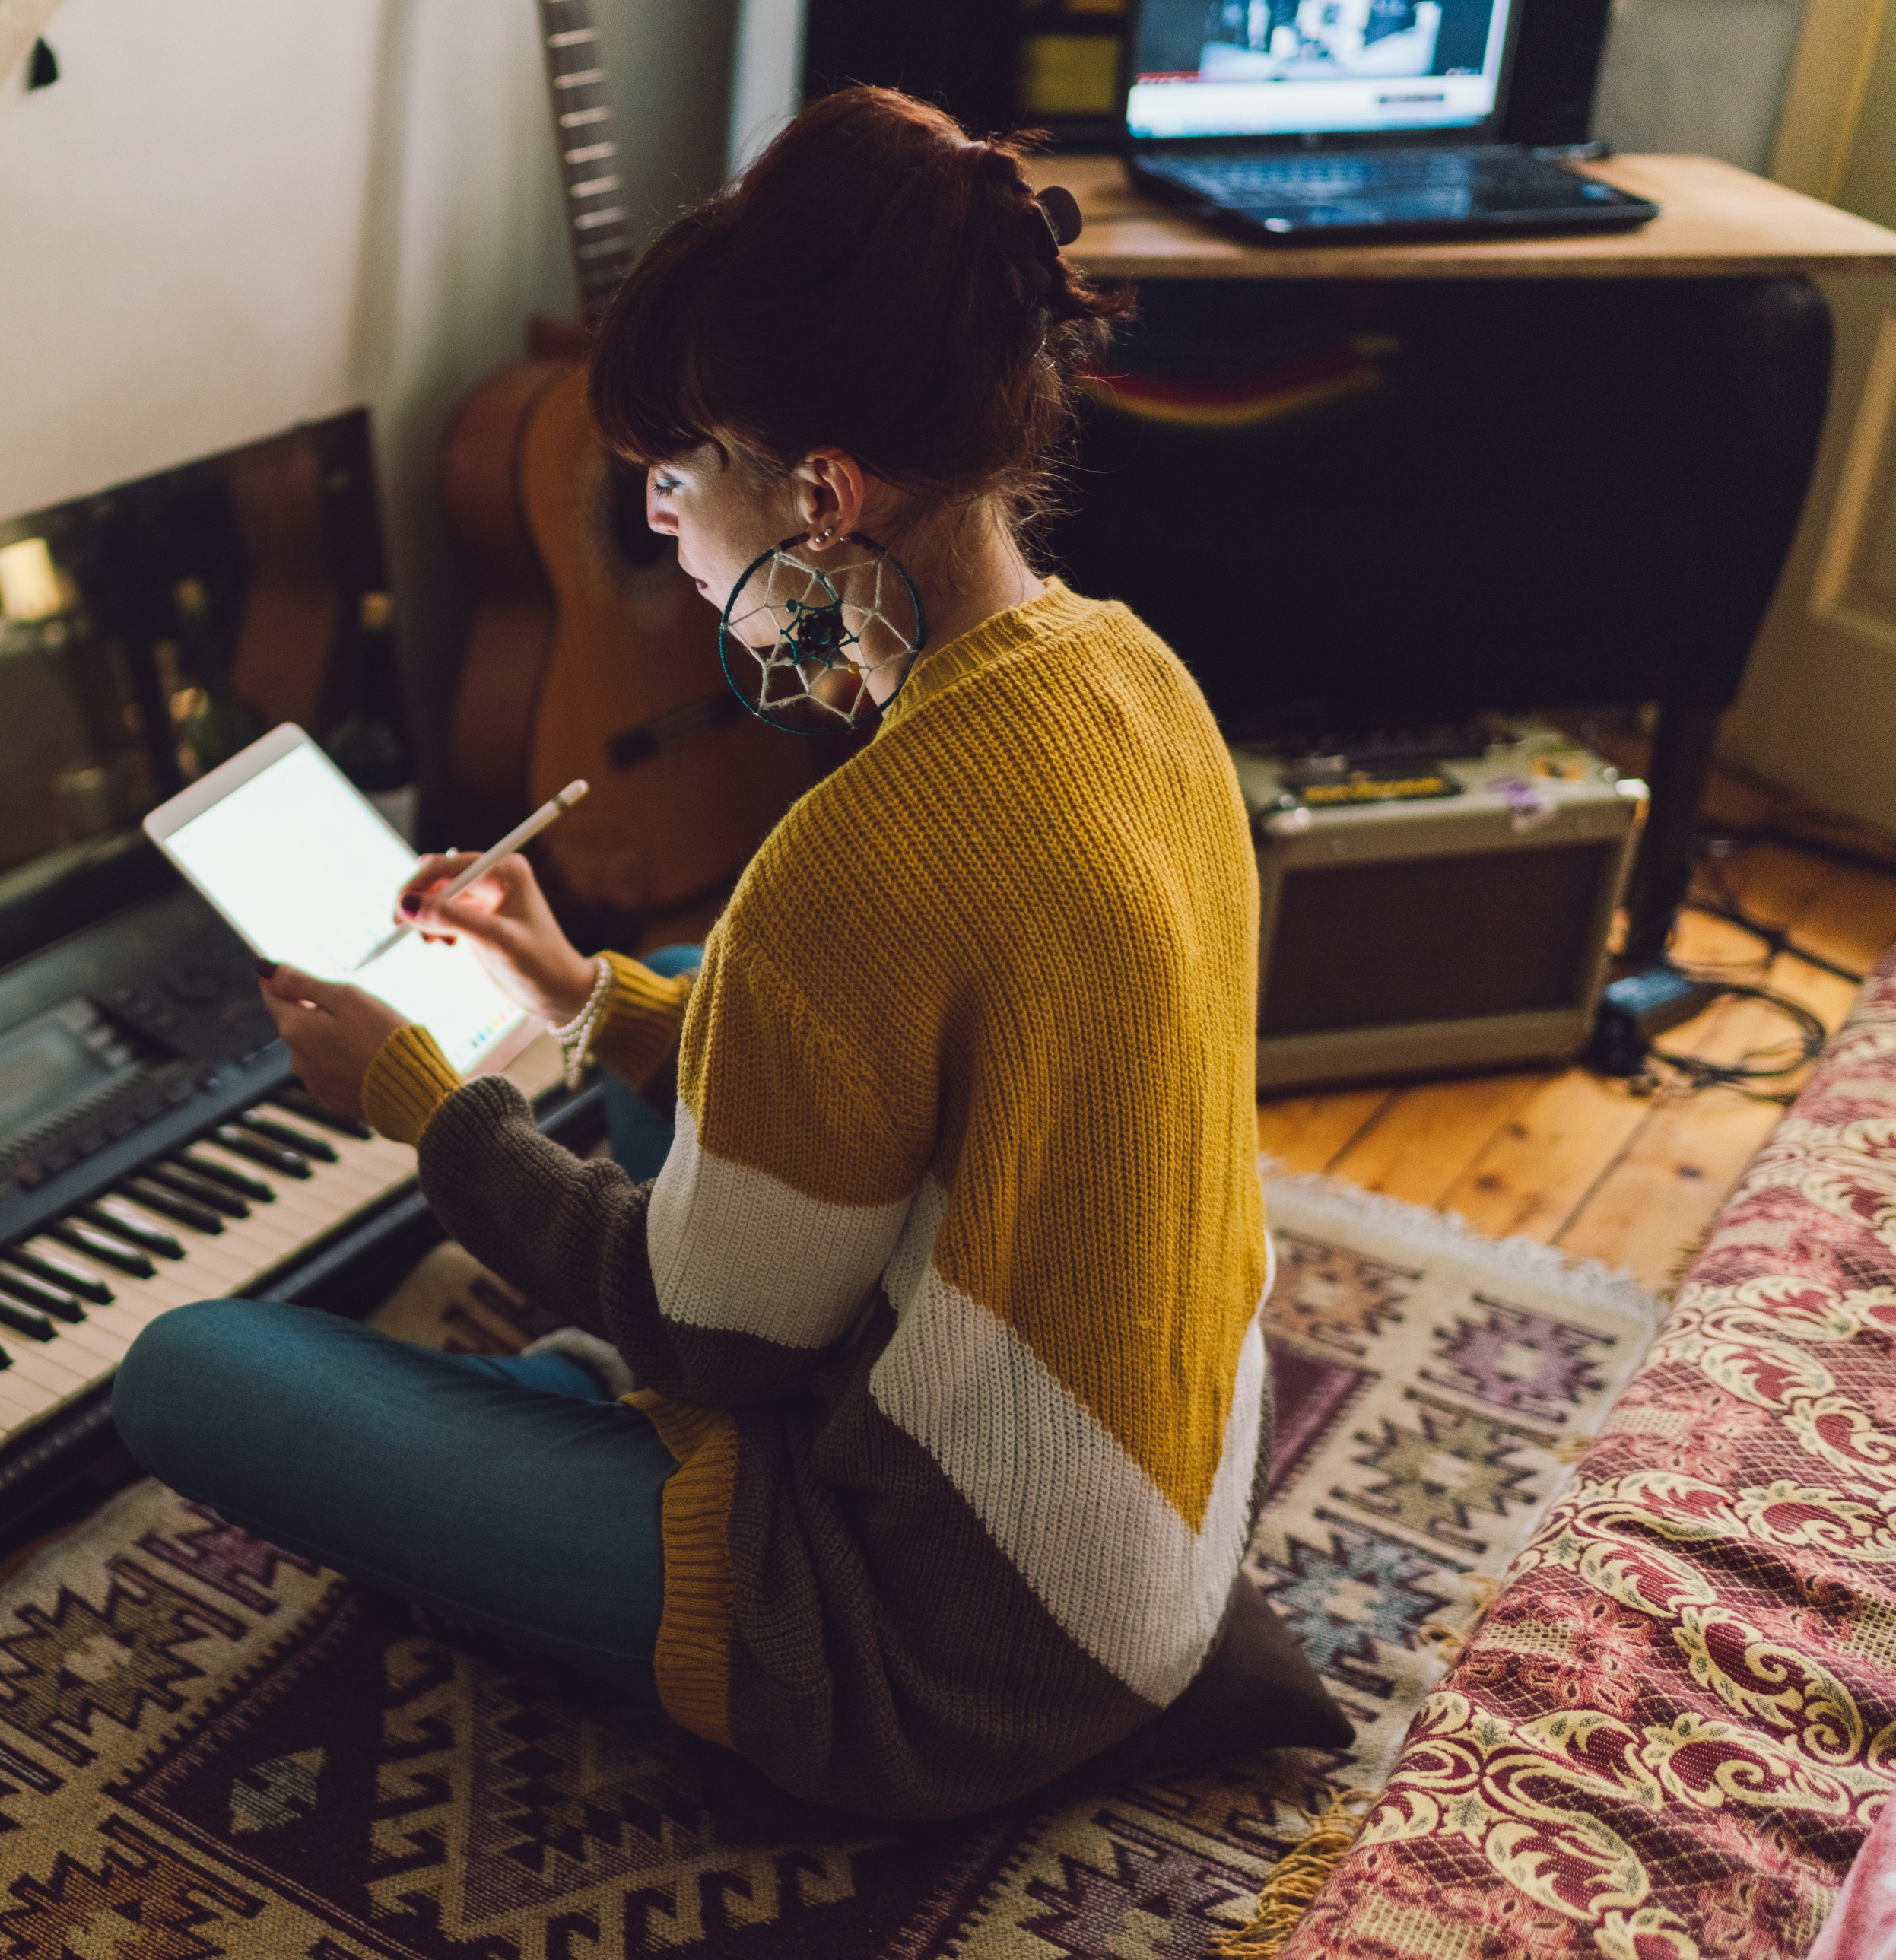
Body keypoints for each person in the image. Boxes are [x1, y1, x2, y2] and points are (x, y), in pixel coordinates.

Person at [112, 87, 1270, 1820]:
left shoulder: (854, 853)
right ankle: (556, 1440)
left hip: (946, 1644)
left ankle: (582, 1481)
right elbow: (902, 1055)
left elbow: (704, 1337)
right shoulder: (1136, 676)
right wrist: (579, 994)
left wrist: (424, 1104)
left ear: (820, 497)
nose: (660, 523)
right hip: (1146, 1531)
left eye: (678, 474)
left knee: (187, 1378)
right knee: (709, 1040)